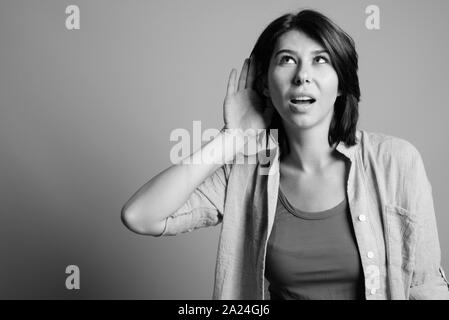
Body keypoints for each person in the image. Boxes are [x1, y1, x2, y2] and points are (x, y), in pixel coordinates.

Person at [121, 9, 449, 300]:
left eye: (321, 60)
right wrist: (231, 138)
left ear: (341, 84)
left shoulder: (396, 161)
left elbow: (425, 286)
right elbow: (141, 216)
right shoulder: (247, 173)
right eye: (287, 59)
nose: (302, 75)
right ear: (265, 84)